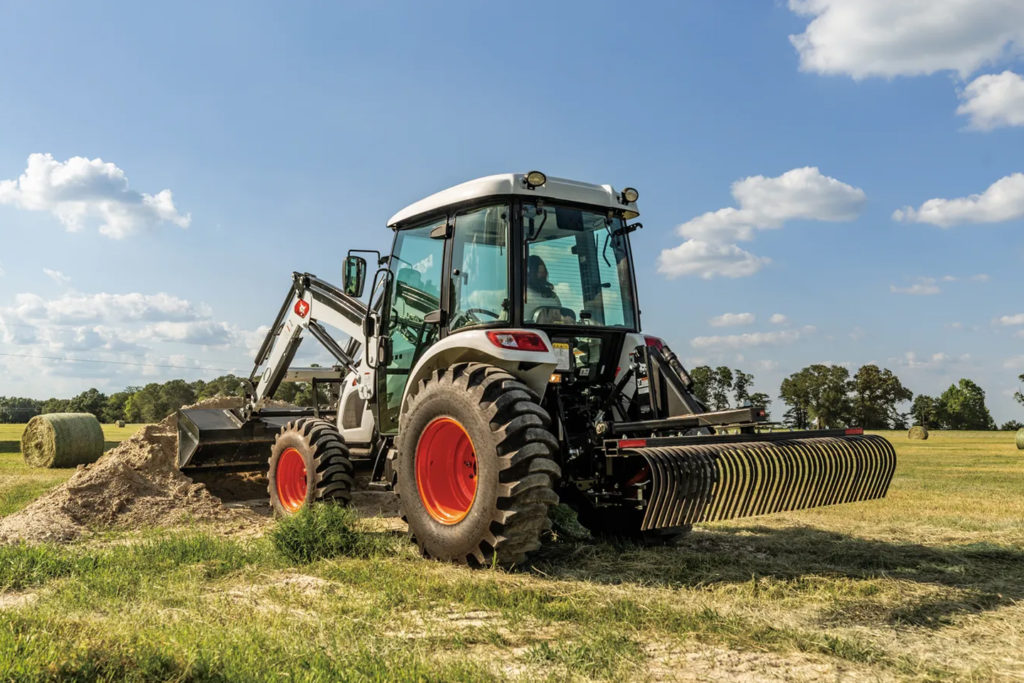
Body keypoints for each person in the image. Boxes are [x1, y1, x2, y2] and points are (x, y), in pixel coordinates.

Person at [525, 255, 566, 323]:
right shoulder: (520, 297)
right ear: (528, 273)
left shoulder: (552, 297)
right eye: (537, 273)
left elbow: (559, 321)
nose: (541, 277)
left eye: (543, 273)